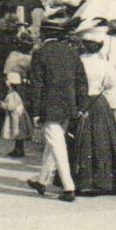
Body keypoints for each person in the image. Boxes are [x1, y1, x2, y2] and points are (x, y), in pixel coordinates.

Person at [25, 22, 82, 202]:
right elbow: (81, 81)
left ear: (44, 34)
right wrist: (80, 106)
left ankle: (68, 187)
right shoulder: (72, 53)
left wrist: (35, 111)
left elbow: (37, 85)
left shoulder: (40, 53)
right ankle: (42, 181)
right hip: (68, 105)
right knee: (53, 144)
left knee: (57, 145)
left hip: (49, 106)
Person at [70, 27, 116, 195]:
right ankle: (103, 181)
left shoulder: (76, 63)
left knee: (82, 142)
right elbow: (114, 87)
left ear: (83, 45)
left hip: (81, 103)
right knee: (102, 142)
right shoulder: (105, 65)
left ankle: (82, 181)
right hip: (99, 104)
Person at [0, 28, 35, 158]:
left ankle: (19, 147)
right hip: (25, 89)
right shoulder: (30, 58)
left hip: (16, 89)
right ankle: (19, 146)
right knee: (22, 117)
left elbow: (6, 72)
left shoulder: (13, 56)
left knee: (16, 117)